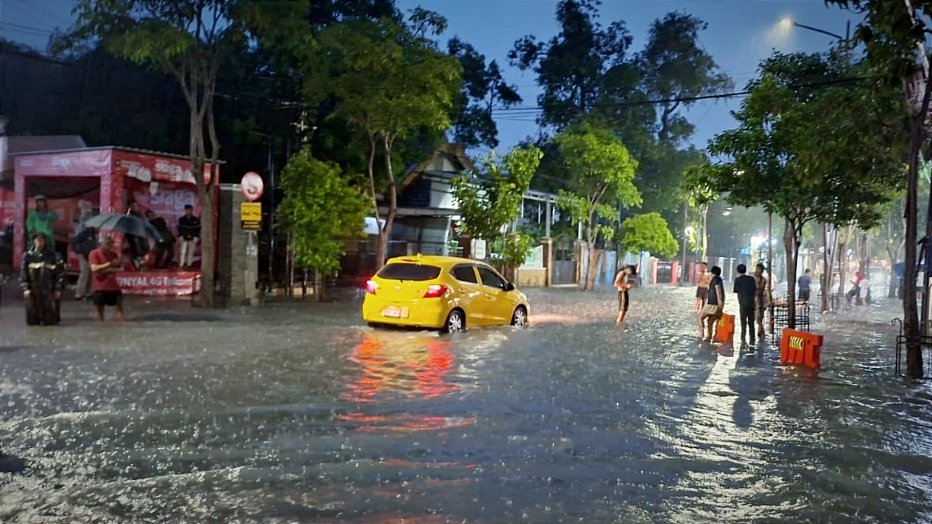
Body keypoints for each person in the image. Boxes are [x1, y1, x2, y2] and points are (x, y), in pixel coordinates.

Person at [20, 233, 65, 325]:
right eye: (37, 240)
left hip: (49, 290)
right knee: (32, 319)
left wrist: (58, 289)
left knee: (51, 320)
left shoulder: (55, 256)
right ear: (33, 241)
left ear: (45, 241)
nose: (39, 243)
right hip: (33, 290)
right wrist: (26, 288)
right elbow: (23, 273)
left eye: (41, 240)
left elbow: (61, 274)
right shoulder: (28, 256)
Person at [89, 236, 124, 321]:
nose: (109, 246)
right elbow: (93, 268)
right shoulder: (94, 253)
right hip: (100, 285)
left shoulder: (113, 254)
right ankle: (101, 324)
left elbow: (121, 268)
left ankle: (121, 324)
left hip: (113, 285)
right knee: (100, 309)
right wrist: (108, 265)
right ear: (101, 244)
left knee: (119, 306)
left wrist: (118, 263)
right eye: (107, 244)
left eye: (111, 244)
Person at [71, 200, 97, 300]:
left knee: (90, 274)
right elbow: (73, 243)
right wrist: (78, 252)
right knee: (84, 274)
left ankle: (88, 292)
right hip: (84, 255)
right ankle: (79, 293)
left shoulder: (92, 235)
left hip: (90, 255)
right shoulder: (84, 233)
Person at [733, 263, 757, 346]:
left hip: (743, 302)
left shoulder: (737, 280)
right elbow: (755, 291)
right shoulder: (752, 279)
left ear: (737, 271)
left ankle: (743, 338)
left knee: (743, 322)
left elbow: (738, 294)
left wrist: (740, 303)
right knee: (751, 321)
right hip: (751, 302)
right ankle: (752, 339)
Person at [699, 265, 725, 341]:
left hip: (712, 304)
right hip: (714, 303)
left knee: (700, 317)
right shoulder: (718, 279)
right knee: (710, 321)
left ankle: (701, 335)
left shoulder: (715, 280)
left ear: (712, 273)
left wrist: (720, 308)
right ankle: (709, 337)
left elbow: (719, 293)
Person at [125, 202, 149, 269]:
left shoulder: (139, 214)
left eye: (136, 206)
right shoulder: (128, 213)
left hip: (140, 234)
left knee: (144, 247)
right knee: (136, 248)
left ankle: (141, 263)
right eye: (133, 206)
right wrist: (128, 212)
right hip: (132, 235)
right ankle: (138, 265)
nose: (136, 207)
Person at [177, 204, 201, 268]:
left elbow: (198, 229)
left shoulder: (196, 220)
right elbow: (180, 229)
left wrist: (196, 237)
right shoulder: (181, 219)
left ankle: (189, 265)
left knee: (191, 252)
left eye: (190, 210)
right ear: (185, 210)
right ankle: (181, 264)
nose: (189, 211)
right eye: (187, 210)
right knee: (183, 252)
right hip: (184, 237)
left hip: (193, 238)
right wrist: (182, 236)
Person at [694, 262, 711, 336]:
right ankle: (697, 311)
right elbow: (697, 281)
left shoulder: (708, 274)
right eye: (701, 266)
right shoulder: (698, 273)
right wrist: (701, 276)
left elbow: (709, 282)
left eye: (704, 266)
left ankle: (703, 311)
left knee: (705, 300)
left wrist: (705, 280)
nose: (702, 268)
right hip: (700, 288)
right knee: (698, 300)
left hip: (705, 288)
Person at [754, 263, 769, 339]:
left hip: (762, 300)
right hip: (755, 300)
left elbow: (760, 289)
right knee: (758, 317)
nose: (757, 271)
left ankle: (761, 331)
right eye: (757, 269)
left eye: (759, 270)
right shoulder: (753, 278)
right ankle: (761, 331)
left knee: (760, 317)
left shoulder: (763, 280)